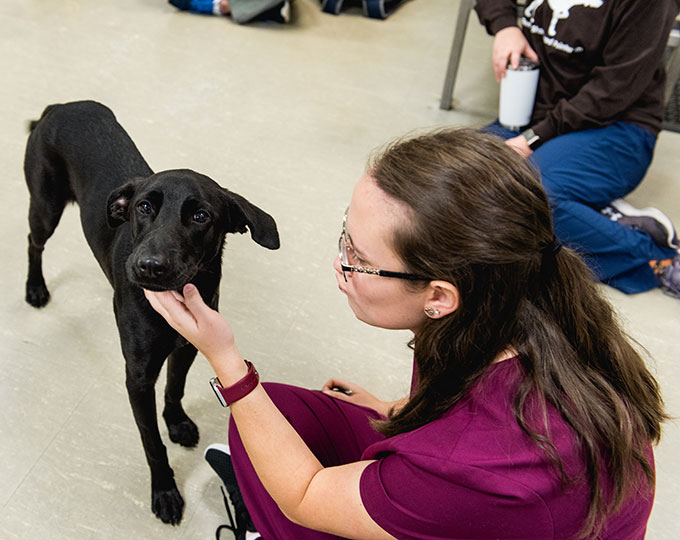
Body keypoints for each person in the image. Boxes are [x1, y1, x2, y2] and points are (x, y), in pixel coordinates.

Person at [145, 128, 666, 539]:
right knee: (275, 412)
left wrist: (225, 359)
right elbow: (463, 414)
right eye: (346, 234)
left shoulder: (478, 467)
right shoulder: (509, 300)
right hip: (477, 500)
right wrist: (403, 415)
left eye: (360, 259)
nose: (339, 264)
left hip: (474, 497)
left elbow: (305, 493)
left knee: (271, 454)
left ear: (439, 294)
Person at [475, 0, 680, 298]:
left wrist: (531, 139)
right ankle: (594, 211)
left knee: (532, 197)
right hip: (538, 112)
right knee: (454, 184)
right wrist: (504, 24)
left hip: (616, 126)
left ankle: (652, 253)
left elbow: (611, 92)